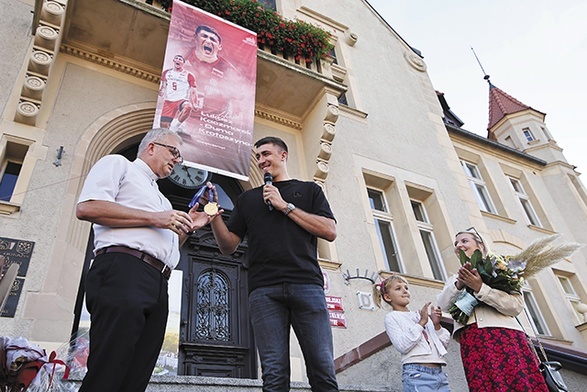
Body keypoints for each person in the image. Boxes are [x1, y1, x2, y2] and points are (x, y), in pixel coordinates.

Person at [76, 128, 211, 392]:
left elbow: (166, 247)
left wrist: (187, 227)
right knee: (109, 368)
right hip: (124, 271)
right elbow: (87, 207)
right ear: (151, 147)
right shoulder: (119, 165)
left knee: (137, 376)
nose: (177, 160)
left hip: (158, 281)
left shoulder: (161, 198)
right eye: (174, 152)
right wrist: (156, 218)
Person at [206, 136, 339, 391]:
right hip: (264, 291)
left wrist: (284, 206)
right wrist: (212, 214)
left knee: (322, 369)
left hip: (306, 286)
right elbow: (228, 246)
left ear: (283, 155)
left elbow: (329, 231)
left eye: (266, 154)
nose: (261, 161)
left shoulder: (310, 190)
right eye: (257, 157)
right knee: (274, 374)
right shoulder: (247, 200)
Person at [436, 228, 548, 392]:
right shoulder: (455, 278)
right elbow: (443, 304)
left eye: (464, 241)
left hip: (504, 336)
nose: (458, 245)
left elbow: (515, 306)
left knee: (518, 384)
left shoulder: (501, 267)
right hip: (472, 340)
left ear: (480, 245)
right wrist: (459, 285)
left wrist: (481, 288)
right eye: (456, 243)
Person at [374, 275, 451, 392]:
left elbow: (444, 344)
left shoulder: (420, 315)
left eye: (406, 288)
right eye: (398, 288)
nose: (404, 291)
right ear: (387, 297)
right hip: (417, 374)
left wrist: (436, 325)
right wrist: (421, 323)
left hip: (440, 374)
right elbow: (402, 346)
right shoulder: (392, 317)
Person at [184, 25, 245, 120]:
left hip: (212, 125)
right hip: (181, 117)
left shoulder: (229, 70)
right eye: (204, 36)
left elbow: (239, 101)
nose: (208, 41)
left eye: (212, 39)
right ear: (195, 38)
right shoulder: (182, 55)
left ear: (220, 46)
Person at [158, 54, 198, 134]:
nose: (178, 60)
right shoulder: (166, 72)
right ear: (174, 61)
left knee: (188, 107)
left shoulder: (189, 75)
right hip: (169, 101)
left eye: (180, 59)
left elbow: (193, 91)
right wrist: (161, 91)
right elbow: (163, 85)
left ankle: (175, 126)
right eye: (176, 58)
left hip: (181, 100)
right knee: (164, 130)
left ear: (183, 63)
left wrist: (195, 103)